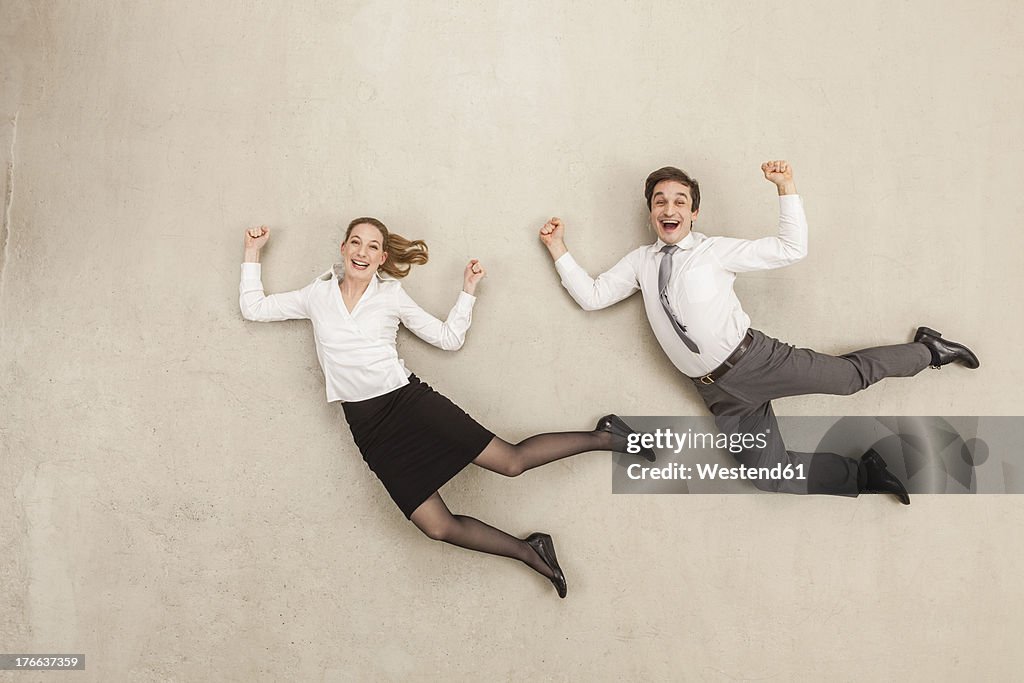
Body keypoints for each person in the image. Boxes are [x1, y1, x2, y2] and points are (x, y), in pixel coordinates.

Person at [238, 217, 654, 598]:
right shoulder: (317, 295)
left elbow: (447, 337)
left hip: (409, 405)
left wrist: (467, 292)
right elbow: (253, 308)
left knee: (511, 462)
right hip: (368, 428)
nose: (362, 252)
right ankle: (532, 551)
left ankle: (607, 435)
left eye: (372, 246)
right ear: (343, 248)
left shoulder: (391, 296)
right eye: (356, 243)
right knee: (437, 526)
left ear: (383, 257)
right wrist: (252, 253)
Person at [538, 160, 979, 505]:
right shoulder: (640, 262)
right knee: (768, 475)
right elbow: (593, 296)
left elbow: (791, 248)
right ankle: (863, 474)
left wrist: (785, 188)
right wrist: (558, 249)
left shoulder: (714, 252)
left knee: (848, 379)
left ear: (693, 211)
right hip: (716, 392)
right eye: (659, 201)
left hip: (755, 362)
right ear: (651, 212)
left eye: (678, 201)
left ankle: (930, 350)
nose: (668, 209)